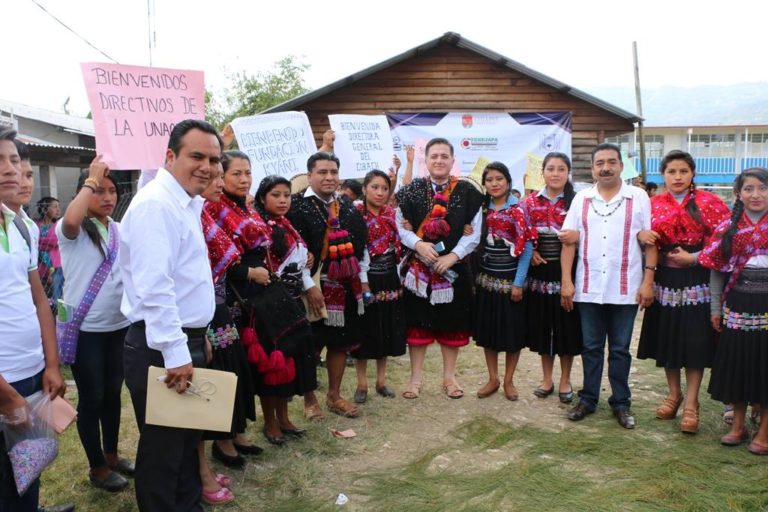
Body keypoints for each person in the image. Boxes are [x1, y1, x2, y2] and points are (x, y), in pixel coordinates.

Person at [120, 119, 221, 511]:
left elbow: (186, 281)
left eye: (213, 159)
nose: (207, 166)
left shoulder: (185, 202)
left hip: (181, 340)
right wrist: (178, 352)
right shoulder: (156, 205)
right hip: (160, 345)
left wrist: (200, 337)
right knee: (164, 450)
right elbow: (155, 288)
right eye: (196, 156)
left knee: (184, 442)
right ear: (170, 156)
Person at [560, 143, 657, 429]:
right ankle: (588, 399)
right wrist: (567, 282)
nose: (606, 167)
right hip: (588, 286)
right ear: (592, 168)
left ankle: (621, 403)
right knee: (590, 347)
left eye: (612, 162)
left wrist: (647, 283)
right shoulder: (582, 199)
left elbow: (650, 241)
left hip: (625, 286)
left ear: (620, 166)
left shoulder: (637, 196)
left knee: (619, 349)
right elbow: (568, 242)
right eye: (600, 163)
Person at [636, 150, 730, 434]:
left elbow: (725, 243)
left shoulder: (710, 204)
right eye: (671, 172)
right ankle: (673, 394)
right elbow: (639, 237)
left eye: (683, 172)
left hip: (698, 278)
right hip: (663, 278)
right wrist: (643, 237)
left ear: (692, 174)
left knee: (694, 342)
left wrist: (696, 257)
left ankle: (692, 403)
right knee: (669, 339)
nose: (677, 177)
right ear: (662, 175)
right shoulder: (651, 205)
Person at [58, 157, 135, 491]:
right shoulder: (71, 231)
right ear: (83, 192)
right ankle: (97, 467)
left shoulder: (117, 229)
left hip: (118, 326)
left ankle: (112, 455)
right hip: (86, 330)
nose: (107, 197)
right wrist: (91, 178)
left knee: (113, 395)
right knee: (92, 397)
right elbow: (73, 218)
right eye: (98, 191)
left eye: (112, 191)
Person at [0, 127, 67, 511]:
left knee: (28, 467)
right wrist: (7, 396)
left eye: (13, 159)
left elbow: (40, 301)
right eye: (1, 161)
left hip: (31, 373)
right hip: (4, 382)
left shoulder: (22, 226)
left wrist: (51, 364)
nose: (10, 169)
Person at [395, 138, 484, 399]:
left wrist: (454, 256)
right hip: (418, 270)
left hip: (453, 269)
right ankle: (415, 381)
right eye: (434, 156)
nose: (439, 160)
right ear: (426, 159)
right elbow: (400, 225)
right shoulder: (411, 190)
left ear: (452, 160)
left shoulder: (468, 192)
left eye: (444, 156)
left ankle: (449, 379)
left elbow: (475, 231)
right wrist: (419, 244)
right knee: (417, 325)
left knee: (451, 325)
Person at [287, 151, 368, 418]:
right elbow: (291, 253)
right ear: (309, 175)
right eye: (322, 172)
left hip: (343, 289)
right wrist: (308, 286)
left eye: (334, 172)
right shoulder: (295, 207)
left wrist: (362, 282)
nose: (329, 177)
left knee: (339, 343)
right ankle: (310, 400)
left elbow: (361, 249)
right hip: (309, 288)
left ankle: (334, 396)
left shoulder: (348, 208)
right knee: (311, 345)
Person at [200, 152, 262, 468]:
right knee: (222, 368)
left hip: (224, 300)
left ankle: (236, 431)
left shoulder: (235, 209)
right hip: (208, 303)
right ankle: (222, 441)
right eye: (232, 173)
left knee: (235, 365)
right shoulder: (205, 211)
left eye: (247, 172)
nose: (242, 179)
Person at [700, 167, 768, 454]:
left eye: (762, 188)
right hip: (737, 305)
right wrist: (716, 308)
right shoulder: (728, 227)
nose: (756, 194)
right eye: (749, 189)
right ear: (738, 194)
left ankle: (764, 431)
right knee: (739, 363)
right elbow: (717, 271)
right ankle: (737, 425)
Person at [196, 162, 250, 506]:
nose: (221, 183)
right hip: (196, 317)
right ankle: (204, 463)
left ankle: (226, 437)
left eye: (221, 175)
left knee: (227, 370)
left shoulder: (207, 215)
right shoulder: (190, 215)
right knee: (205, 383)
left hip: (217, 305)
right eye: (214, 177)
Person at [253, 175, 317, 440]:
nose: (282, 200)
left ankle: (285, 417)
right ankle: (270, 422)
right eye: (276, 195)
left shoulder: (287, 225)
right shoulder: (258, 228)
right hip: (270, 306)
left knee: (291, 362)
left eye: (287, 195)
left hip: (291, 302)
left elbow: (299, 262)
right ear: (262, 198)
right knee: (274, 364)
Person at [522, 152, 581, 403]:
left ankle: (566, 379)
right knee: (545, 326)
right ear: (542, 172)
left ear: (568, 173)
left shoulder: (578, 201)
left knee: (567, 328)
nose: (555, 173)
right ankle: (547, 379)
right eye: (550, 169)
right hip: (539, 273)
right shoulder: (529, 202)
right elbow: (521, 233)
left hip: (569, 271)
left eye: (560, 169)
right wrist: (531, 250)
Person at [474, 162, 535, 400]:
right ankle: (493, 379)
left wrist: (519, 282)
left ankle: (509, 381)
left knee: (512, 334)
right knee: (488, 334)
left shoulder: (519, 210)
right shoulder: (481, 210)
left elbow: (527, 247)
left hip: (512, 283)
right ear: (485, 184)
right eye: (489, 180)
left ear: (508, 182)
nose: (494, 184)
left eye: (499, 179)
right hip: (487, 281)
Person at [352, 170, 406, 403]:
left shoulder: (393, 215)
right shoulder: (355, 215)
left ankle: (381, 381)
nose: (380, 192)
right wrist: (362, 281)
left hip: (390, 278)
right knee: (364, 330)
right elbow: (356, 250)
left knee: (385, 327)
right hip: (365, 278)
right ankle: (361, 383)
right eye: (375, 187)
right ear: (364, 189)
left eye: (384, 188)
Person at [36, 196, 63, 308]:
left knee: (57, 296)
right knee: (42, 297)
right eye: (54, 207)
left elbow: (55, 240)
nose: (58, 210)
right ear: (45, 209)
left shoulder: (59, 225)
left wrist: (39, 242)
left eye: (58, 207)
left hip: (56, 266)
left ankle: (58, 315)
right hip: (40, 267)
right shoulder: (35, 225)